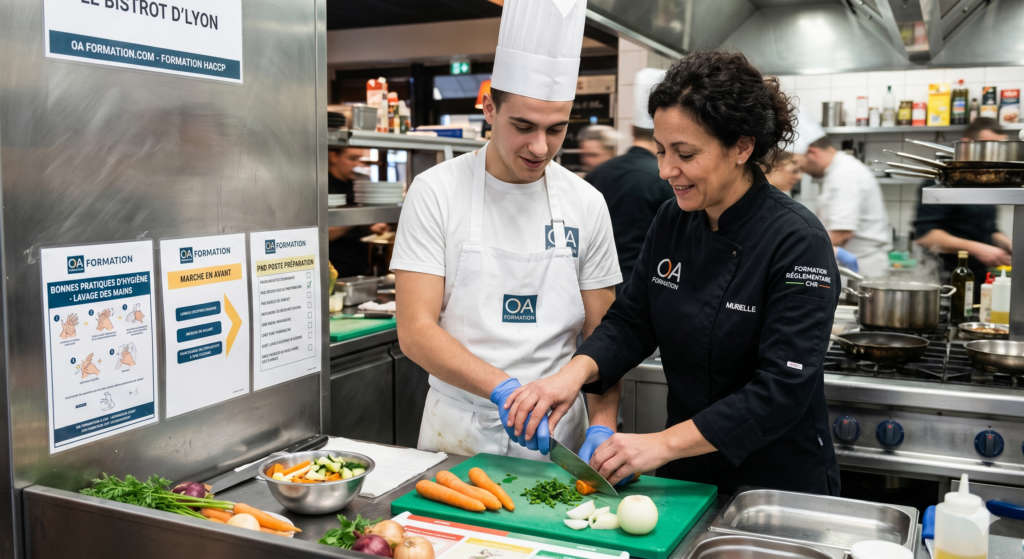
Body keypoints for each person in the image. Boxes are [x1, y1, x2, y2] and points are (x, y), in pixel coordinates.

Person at [502, 50, 841, 495]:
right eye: (661, 151)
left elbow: (783, 387)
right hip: (687, 477)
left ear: (742, 146)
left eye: (685, 153)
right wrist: (574, 374)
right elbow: (632, 322)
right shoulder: (672, 219)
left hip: (774, 482)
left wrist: (660, 445)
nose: (666, 170)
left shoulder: (797, 239)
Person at [390, 0, 623, 460]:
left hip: (560, 434)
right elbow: (415, 330)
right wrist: (506, 389)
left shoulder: (587, 202)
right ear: (489, 108)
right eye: (523, 126)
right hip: (458, 431)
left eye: (557, 129)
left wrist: (603, 425)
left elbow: (604, 334)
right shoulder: (435, 191)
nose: (540, 147)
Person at [586, 69, 674, 293]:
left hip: (597, 286)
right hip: (645, 290)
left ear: (632, 129)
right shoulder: (669, 179)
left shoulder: (598, 174)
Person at [915, 117, 1013, 298]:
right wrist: (981, 249)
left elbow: (985, 228)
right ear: (967, 145)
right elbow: (926, 235)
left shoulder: (985, 179)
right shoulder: (944, 179)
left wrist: (1010, 245)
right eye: (990, 148)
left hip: (978, 281)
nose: (997, 156)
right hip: (946, 283)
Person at [795, 117, 892, 277]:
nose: (802, 172)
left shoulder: (845, 174)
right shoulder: (837, 171)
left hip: (859, 269)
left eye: (801, 165)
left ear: (812, 153)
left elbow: (841, 233)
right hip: (847, 265)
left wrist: (802, 256)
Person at [328, 146, 388, 277]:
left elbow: (357, 225)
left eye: (359, 159)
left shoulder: (356, 185)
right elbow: (322, 234)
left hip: (358, 265)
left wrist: (371, 227)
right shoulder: (321, 185)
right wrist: (355, 219)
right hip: (334, 267)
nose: (357, 165)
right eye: (352, 159)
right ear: (333, 157)